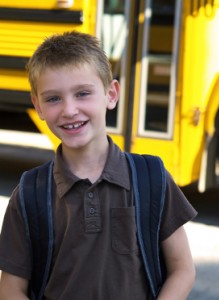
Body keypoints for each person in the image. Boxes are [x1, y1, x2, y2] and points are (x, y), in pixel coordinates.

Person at [0, 31, 197, 300]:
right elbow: (11, 289)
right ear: (38, 106)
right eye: (53, 98)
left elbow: (182, 268)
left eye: (82, 93)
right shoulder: (30, 193)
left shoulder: (151, 177)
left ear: (111, 94)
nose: (69, 110)